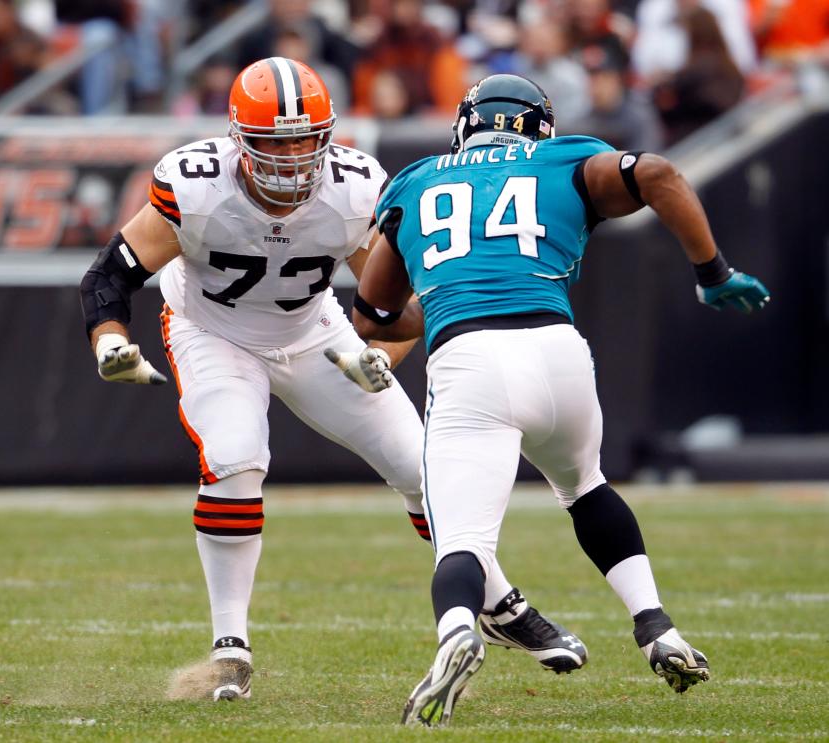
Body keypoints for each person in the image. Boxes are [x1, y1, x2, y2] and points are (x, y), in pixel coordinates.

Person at [79, 58, 588, 703]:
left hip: (315, 331)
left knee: (424, 467)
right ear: (240, 140)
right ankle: (229, 649)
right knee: (236, 457)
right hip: (213, 332)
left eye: (305, 139)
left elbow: (391, 301)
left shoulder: (353, 187)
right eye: (275, 142)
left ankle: (500, 604)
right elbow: (109, 276)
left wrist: (382, 354)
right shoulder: (195, 185)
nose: (293, 159)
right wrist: (112, 341)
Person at [352, 74, 770, 726]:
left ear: (465, 123)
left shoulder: (415, 181)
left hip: (469, 358)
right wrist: (711, 272)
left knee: (461, 537)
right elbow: (656, 171)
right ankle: (654, 625)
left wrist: (426, 304)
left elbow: (374, 312)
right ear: (538, 124)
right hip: (558, 351)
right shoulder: (565, 156)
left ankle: (458, 632)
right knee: (585, 486)